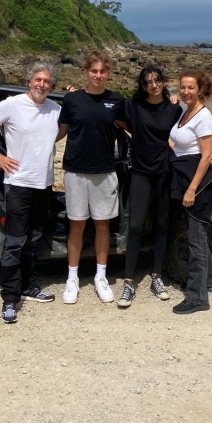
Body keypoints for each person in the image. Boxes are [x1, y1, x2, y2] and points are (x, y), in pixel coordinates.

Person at [0, 63, 60, 324]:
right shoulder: (13, 104)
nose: (41, 85)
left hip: (43, 184)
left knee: (33, 240)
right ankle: (10, 298)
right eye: (37, 80)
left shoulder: (55, 110)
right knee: (15, 242)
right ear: (29, 82)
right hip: (18, 183)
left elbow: (62, 130)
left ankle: (28, 286)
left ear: (51, 86)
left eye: (46, 81)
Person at [57, 50, 125, 305]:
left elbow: (137, 123)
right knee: (76, 224)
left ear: (108, 73)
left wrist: (169, 101)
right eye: (93, 70)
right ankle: (72, 278)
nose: (98, 75)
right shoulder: (72, 100)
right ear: (85, 72)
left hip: (105, 172)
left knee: (102, 225)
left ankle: (100, 277)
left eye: (103, 71)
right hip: (75, 171)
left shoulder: (117, 101)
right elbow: (59, 133)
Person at [115, 64, 182, 308]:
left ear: (163, 81)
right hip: (141, 172)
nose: (153, 85)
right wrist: (75, 92)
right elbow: (112, 114)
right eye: (148, 82)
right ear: (142, 85)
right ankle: (129, 282)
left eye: (157, 80)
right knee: (134, 226)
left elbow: (185, 131)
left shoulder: (173, 108)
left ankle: (156, 277)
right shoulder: (132, 106)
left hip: (163, 172)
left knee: (162, 225)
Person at [169, 70, 212, 315]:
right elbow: (180, 144)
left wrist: (192, 188)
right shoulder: (185, 111)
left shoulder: (203, 116)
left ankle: (197, 297)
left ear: (201, 90)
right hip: (184, 176)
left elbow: (207, 155)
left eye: (190, 88)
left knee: (196, 238)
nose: (185, 91)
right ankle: (209, 283)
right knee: (198, 236)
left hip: (197, 182)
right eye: (182, 87)